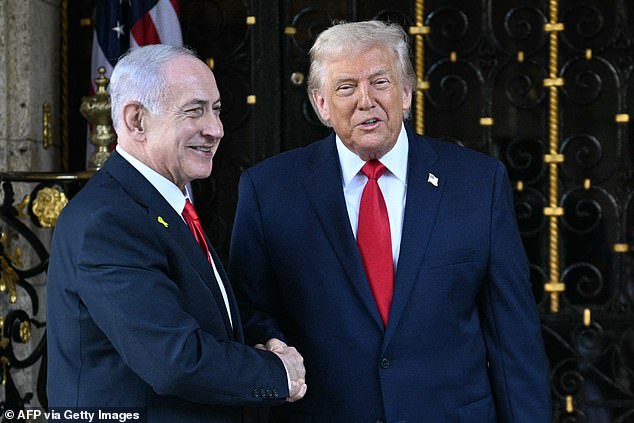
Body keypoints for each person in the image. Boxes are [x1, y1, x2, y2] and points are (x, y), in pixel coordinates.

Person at [229, 20, 551, 422]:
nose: (366, 101)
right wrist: (273, 347)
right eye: (346, 87)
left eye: (380, 82)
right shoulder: (269, 190)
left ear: (406, 93)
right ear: (321, 103)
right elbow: (248, 310)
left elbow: (513, 335)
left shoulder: (477, 184)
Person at [46, 44, 306, 423]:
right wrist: (278, 374)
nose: (216, 129)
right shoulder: (108, 221)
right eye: (194, 110)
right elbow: (173, 360)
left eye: (216, 109)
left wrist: (266, 340)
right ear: (136, 120)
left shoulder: (162, 204)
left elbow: (205, 317)